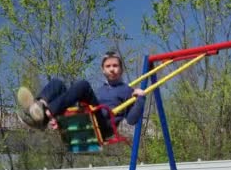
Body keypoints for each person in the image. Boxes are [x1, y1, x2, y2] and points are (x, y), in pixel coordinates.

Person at [16, 51, 146, 140]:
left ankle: (47, 113)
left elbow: (131, 120)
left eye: (115, 66)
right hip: (91, 116)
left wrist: (140, 98)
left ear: (121, 69)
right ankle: (40, 109)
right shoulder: (101, 90)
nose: (112, 69)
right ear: (103, 70)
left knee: (83, 86)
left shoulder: (127, 90)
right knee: (58, 83)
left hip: (104, 125)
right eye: (108, 66)